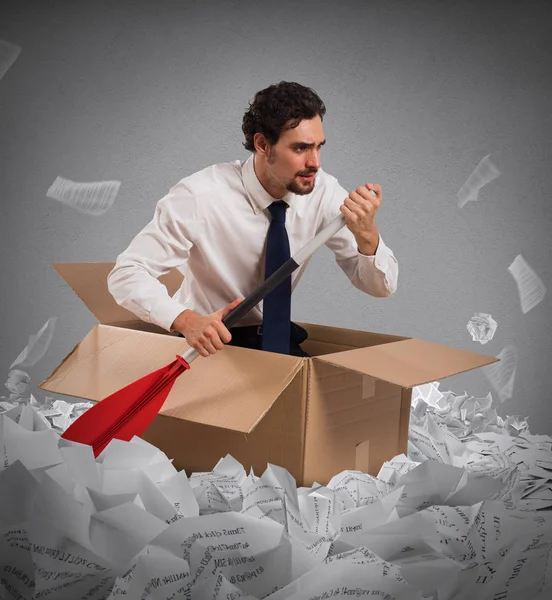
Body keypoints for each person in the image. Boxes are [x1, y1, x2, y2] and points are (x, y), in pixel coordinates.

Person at [107, 81, 398, 358]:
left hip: (277, 340)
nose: (315, 162)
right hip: (209, 343)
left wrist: (367, 235)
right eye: (300, 148)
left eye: (318, 146)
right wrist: (185, 320)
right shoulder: (199, 196)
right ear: (262, 144)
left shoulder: (322, 192)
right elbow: (127, 273)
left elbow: (381, 287)